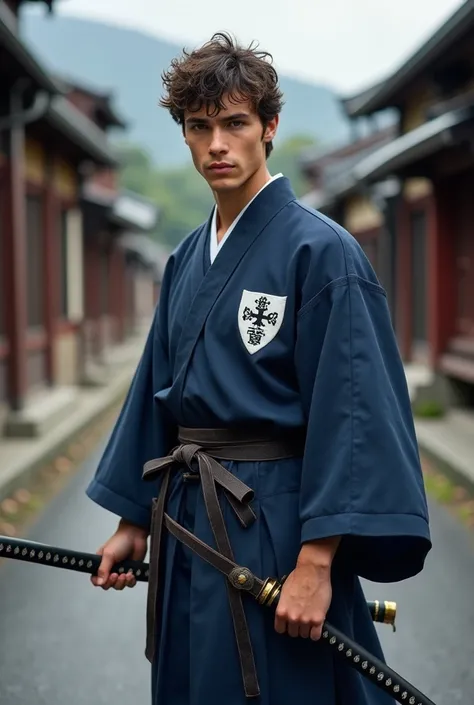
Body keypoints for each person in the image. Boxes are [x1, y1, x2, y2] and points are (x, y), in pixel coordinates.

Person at [87, 31, 431, 705]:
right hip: (190, 521)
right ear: (184, 135)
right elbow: (158, 395)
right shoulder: (186, 258)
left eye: (236, 123)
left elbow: (352, 411)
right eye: (200, 126)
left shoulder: (321, 254)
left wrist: (316, 561)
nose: (217, 143)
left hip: (275, 527)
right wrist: (133, 519)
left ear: (270, 127)